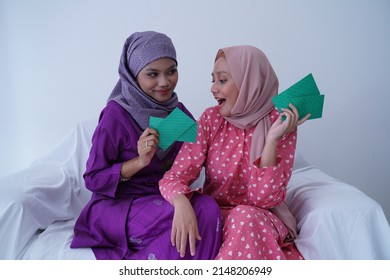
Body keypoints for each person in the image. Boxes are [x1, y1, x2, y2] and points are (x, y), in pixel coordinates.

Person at [70, 31, 221, 260]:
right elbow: (93, 178)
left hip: (163, 199)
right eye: (153, 74)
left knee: (208, 209)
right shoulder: (116, 115)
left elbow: (205, 160)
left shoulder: (178, 115)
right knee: (182, 218)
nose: (165, 82)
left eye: (171, 71)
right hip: (116, 207)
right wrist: (140, 161)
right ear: (133, 76)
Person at [159, 45, 310, 260]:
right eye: (213, 80)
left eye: (222, 80)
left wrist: (271, 141)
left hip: (259, 219)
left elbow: (264, 199)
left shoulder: (281, 121)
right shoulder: (210, 120)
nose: (213, 89)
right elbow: (173, 178)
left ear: (250, 82)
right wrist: (181, 201)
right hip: (214, 218)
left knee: (244, 215)